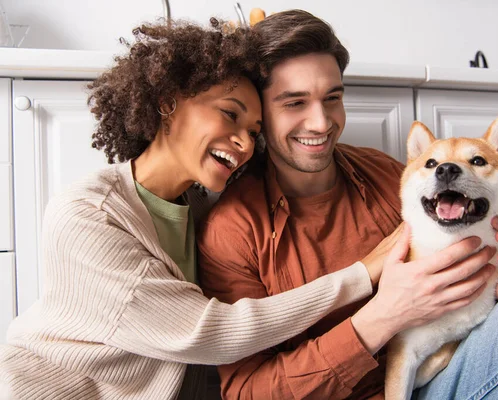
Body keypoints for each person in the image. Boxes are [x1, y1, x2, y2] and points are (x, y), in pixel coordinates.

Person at [0, 19, 413, 400]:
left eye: (254, 131)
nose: (245, 143)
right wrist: (364, 273)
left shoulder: (200, 202)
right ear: (168, 103)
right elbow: (209, 332)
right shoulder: (88, 215)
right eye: (229, 115)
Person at [197, 9, 498, 400]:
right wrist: (382, 318)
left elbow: (463, 298)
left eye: (332, 97)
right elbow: (247, 392)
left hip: (445, 369)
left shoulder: (388, 175)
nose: (321, 123)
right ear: (259, 113)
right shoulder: (232, 231)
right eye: (294, 103)